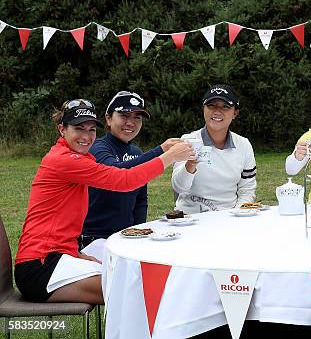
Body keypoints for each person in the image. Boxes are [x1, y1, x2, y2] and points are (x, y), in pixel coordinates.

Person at [14, 99, 194, 304]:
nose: (86, 136)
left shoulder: (78, 158)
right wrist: (168, 156)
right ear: (62, 129)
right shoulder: (63, 160)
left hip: (56, 258)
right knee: (138, 292)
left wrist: (77, 256)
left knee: (140, 284)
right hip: (40, 268)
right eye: (79, 128)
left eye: (91, 129)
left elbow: (59, 228)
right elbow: (124, 180)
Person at [81, 91, 182, 248]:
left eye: (137, 117)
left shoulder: (136, 153)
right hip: (95, 237)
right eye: (124, 115)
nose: (131, 122)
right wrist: (162, 151)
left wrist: (138, 230)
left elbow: (141, 198)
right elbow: (116, 172)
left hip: (126, 236)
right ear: (108, 118)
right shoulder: (97, 148)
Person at [172, 84, 257, 214]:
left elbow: (247, 190)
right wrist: (190, 165)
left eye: (225, 106)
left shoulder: (244, 145)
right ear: (203, 109)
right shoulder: (188, 141)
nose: (217, 111)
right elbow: (179, 187)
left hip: (230, 218)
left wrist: (237, 215)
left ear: (235, 113)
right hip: (190, 220)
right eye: (211, 105)